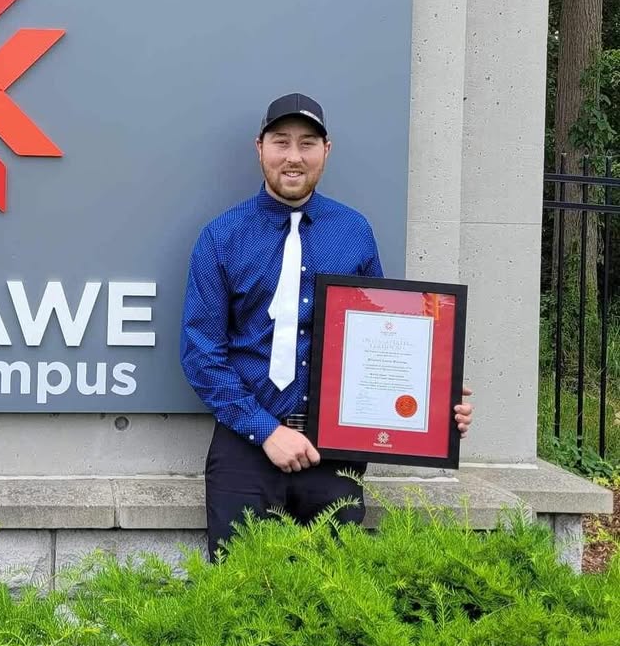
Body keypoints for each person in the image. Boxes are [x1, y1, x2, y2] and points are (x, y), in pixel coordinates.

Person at [180, 92, 473, 560]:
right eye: (281, 142)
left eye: (307, 143)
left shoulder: (354, 233)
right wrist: (266, 431)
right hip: (245, 449)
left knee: (333, 598)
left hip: (334, 452)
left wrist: (437, 407)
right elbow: (202, 355)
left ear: (326, 150)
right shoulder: (221, 236)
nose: (293, 157)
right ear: (260, 148)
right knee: (238, 598)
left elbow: (384, 339)